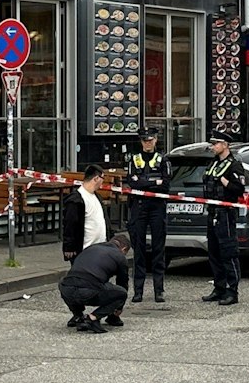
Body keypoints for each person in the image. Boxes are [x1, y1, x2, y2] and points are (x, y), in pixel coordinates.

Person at [124, 130, 169, 303]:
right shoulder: (134, 159)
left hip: (157, 206)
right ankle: (138, 291)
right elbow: (133, 183)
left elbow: (165, 185)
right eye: (144, 141)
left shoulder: (163, 159)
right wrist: (153, 182)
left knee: (158, 248)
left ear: (156, 140)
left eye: (150, 140)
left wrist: (145, 183)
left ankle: (159, 290)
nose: (147, 143)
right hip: (139, 206)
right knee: (139, 250)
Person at [201, 131, 245, 305]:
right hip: (212, 212)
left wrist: (225, 181)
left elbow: (239, 189)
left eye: (216, 144)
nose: (213, 147)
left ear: (225, 145)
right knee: (214, 253)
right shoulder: (213, 163)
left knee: (228, 252)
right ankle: (219, 288)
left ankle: (232, 291)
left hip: (226, 213)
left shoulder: (234, 165)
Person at [60, 233, 131, 333]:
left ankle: (78, 315)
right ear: (123, 249)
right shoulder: (119, 256)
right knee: (121, 293)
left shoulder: (92, 247)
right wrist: (118, 309)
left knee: (65, 282)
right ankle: (93, 318)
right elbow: (122, 283)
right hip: (89, 290)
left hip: (67, 289)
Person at [60, 166, 107, 263]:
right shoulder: (76, 200)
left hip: (100, 249)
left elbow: (103, 219)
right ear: (96, 178)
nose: (103, 182)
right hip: (84, 251)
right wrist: (69, 246)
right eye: (103, 178)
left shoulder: (97, 197)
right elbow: (70, 224)